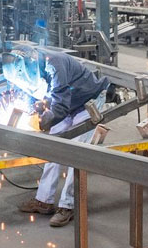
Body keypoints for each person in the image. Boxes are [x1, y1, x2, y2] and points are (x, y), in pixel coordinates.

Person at [6, 48, 109, 228]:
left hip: (88, 101)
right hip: (70, 103)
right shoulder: (35, 66)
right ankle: (44, 201)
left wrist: (46, 120)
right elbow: (46, 96)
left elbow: (60, 106)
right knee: (52, 147)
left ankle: (67, 206)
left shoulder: (54, 65)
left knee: (75, 152)